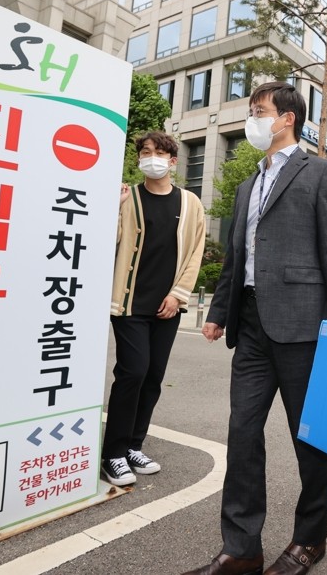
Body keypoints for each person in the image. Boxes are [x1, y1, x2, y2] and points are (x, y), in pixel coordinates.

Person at [187, 81, 327, 575]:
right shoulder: (248, 184)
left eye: (259, 110)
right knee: (242, 434)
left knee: (309, 439)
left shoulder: (321, 173)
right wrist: (219, 312)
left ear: (287, 117)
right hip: (250, 325)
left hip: (303, 326)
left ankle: (310, 540)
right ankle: (241, 548)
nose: (253, 119)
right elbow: (238, 257)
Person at [104, 131, 206, 486]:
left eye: (160, 153)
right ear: (138, 160)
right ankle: (113, 453)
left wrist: (179, 295)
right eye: (145, 152)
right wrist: (109, 207)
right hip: (130, 302)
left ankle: (134, 444)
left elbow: (195, 251)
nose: (152, 158)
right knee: (133, 371)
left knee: (152, 378)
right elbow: (109, 242)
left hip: (167, 305)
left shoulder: (191, 204)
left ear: (173, 161)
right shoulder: (126, 197)